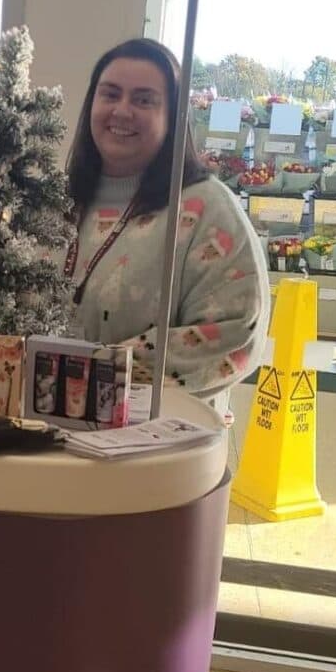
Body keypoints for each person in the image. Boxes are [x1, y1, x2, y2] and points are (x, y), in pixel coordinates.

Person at [65, 37, 269, 405]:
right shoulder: (55, 202)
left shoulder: (206, 209)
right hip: (38, 428)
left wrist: (95, 372)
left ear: (173, 116)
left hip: (153, 443)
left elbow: (235, 330)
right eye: (110, 94)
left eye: (143, 100)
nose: (122, 111)